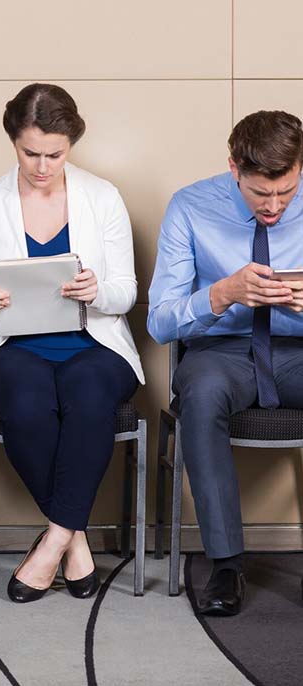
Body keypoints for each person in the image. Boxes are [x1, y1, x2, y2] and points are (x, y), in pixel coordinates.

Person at [0, 83, 144, 604]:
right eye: (30, 153)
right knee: (27, 401)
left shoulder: (103, 197)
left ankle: (52, 545)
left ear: (72, 144)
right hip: (11, 346)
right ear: (13, 142)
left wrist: (96, 291)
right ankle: (76, 539)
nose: (42, 167)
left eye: (55, 154)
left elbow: (126, 292)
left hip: (94, 343)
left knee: (89, 398)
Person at [148, 110, 303, 616]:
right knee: (201, 393)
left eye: (287, 191)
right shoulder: (190, 207)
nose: (275, 207)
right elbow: (160, 323)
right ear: (235, 168)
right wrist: (221, 294)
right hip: (223, 349)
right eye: (262, 194)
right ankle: (227, 564)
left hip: (298, 350)